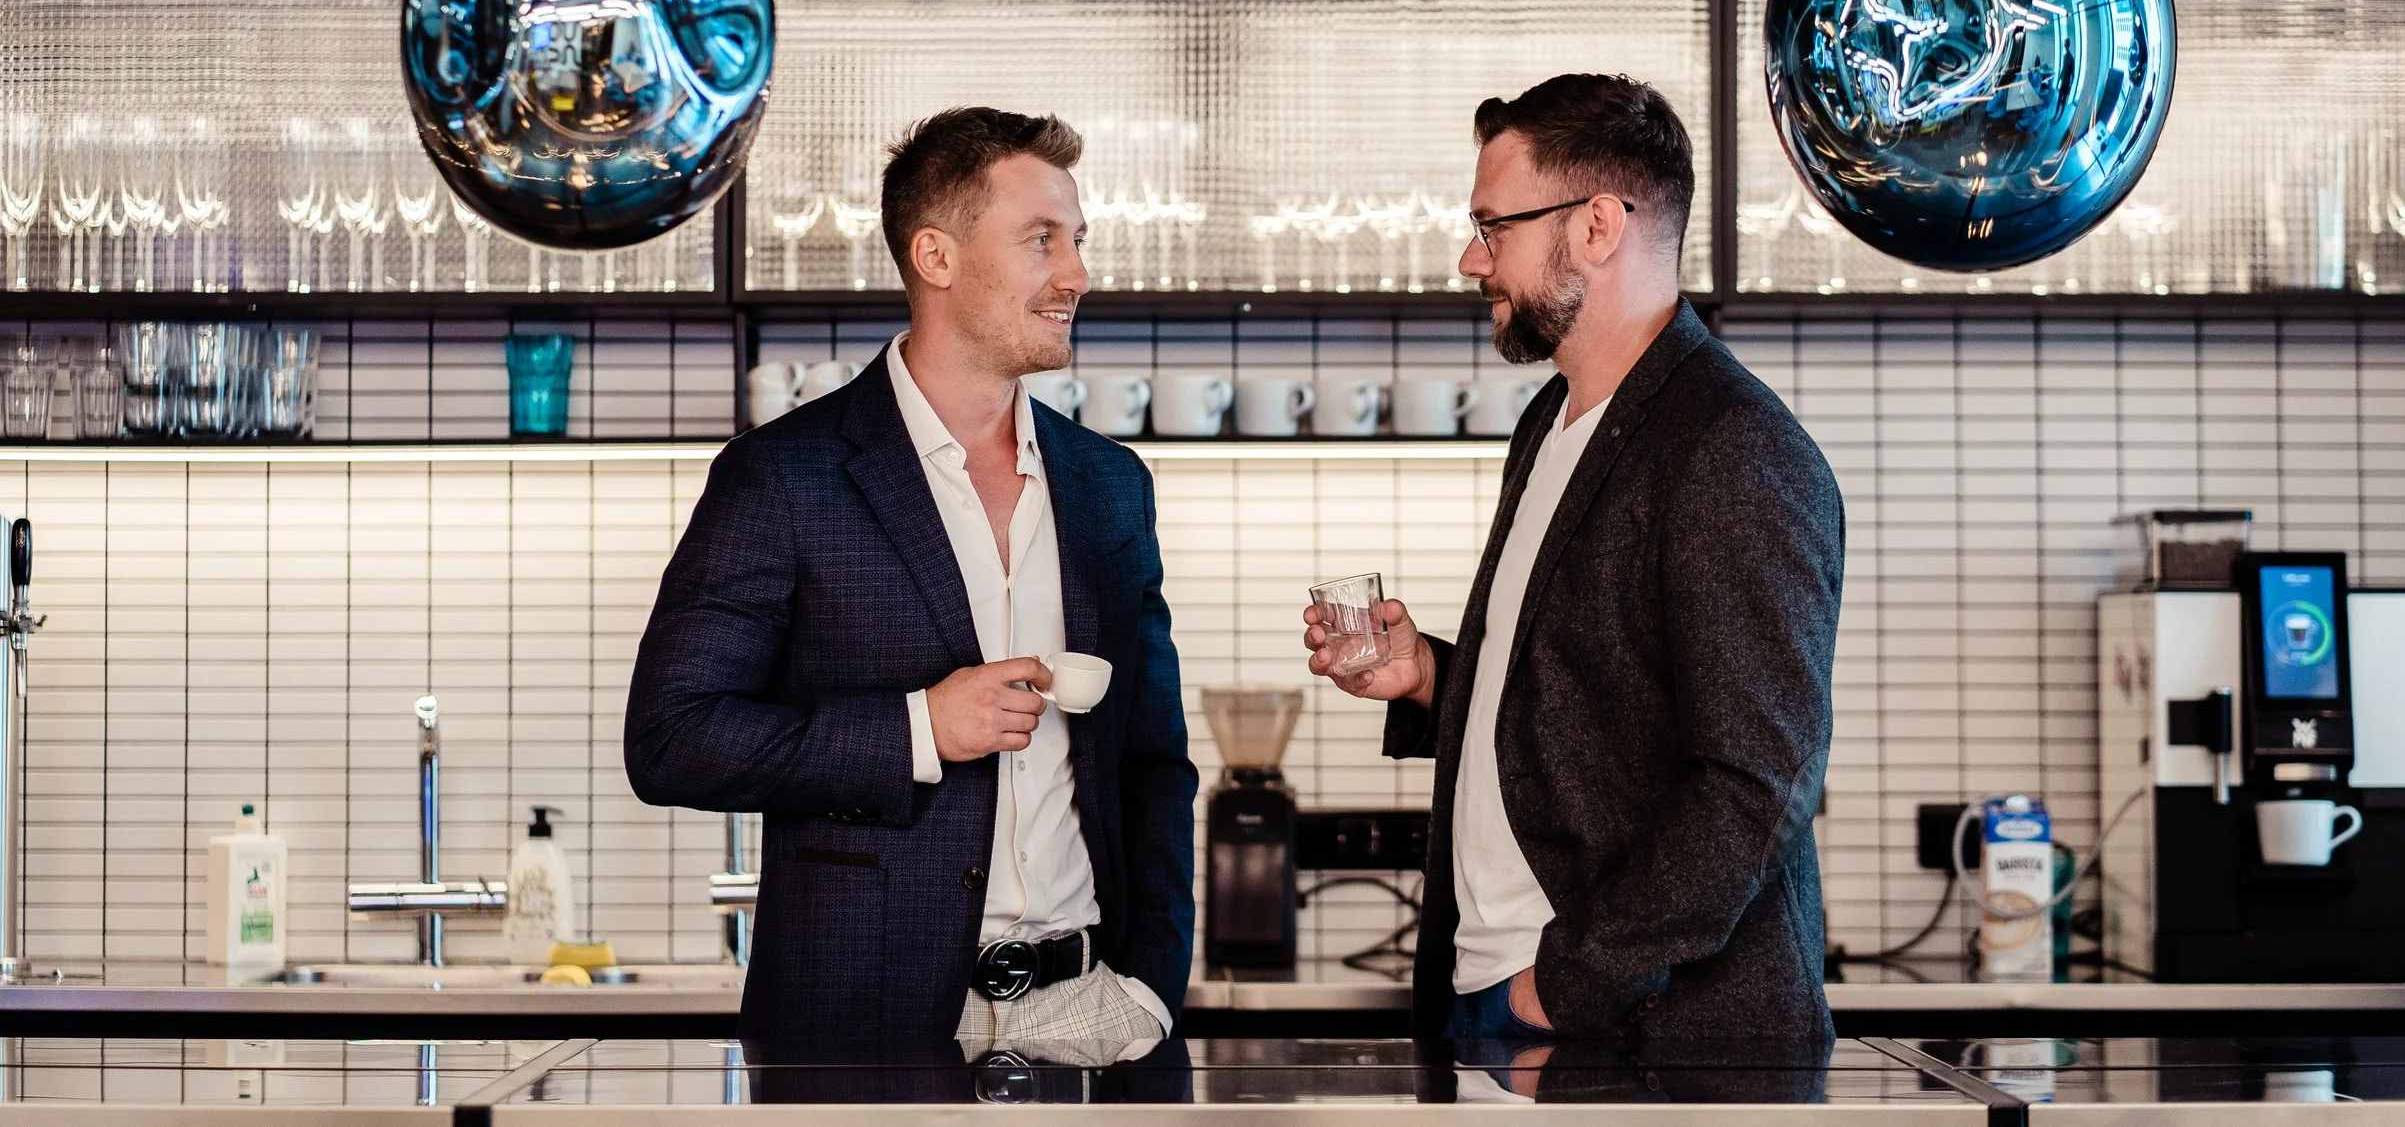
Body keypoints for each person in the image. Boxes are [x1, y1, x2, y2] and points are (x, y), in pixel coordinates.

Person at [626, 107, 1195, 1070]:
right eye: (1041, 240)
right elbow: (672, 736)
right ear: (935, 254)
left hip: (1094, 1017)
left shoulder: (1108, 486)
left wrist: (1151, 986)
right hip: (857, 1028)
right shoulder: (783, 477)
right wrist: (919, 728)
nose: (1078, 275)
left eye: (1079, 241)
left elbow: (1156, 763)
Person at [1304, 73, 1843, 1084]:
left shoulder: (1732, 447)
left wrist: (1562, 985)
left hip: (1638, 1038)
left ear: (1597, 224)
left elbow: (1757, 783)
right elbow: (1589, 699)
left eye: (1492, 225)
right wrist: (1430, 676)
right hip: (1505, 1013)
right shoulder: (1546, 424)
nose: (1472, 257)